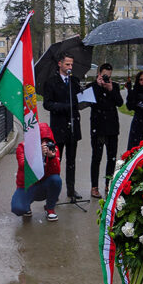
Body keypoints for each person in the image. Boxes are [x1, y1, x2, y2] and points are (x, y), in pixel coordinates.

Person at [43, 52, 83, 199]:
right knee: (56, 160)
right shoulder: (51, 82)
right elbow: (47, 104)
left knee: (71, 161)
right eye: (67, 64)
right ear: (59, 64)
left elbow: (80, 99)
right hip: (58, 127)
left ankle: (71, 190)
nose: (70, 67)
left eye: (71, 64)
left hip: (73, 126)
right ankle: (54, 190)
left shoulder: (75, 81)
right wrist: (64, 106)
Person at [10, 123, 62, 222]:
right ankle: (26, 205)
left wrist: (52, 158)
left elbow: (56, 171)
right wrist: (37, 154)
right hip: (28, 185)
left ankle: (50, 208)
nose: (45, 144)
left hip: (43, 185)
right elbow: (23, 165)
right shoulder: (23, 147)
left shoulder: (52, 148)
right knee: (18, 208)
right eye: (42, 141)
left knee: (56, 180)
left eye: (47, 141)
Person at [87, 63, 123, 198]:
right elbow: (90, 102)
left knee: (111, 157)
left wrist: (111, 89)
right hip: (98, 127)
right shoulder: (92, 86)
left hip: (112, 127)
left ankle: (108, 184)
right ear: (99, 74)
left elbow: (120, 103)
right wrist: (98, 85)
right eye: (104, 75)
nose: (107, 77)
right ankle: (94, 187)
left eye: (109, 75)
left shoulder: (114, 86)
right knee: (96, 158)